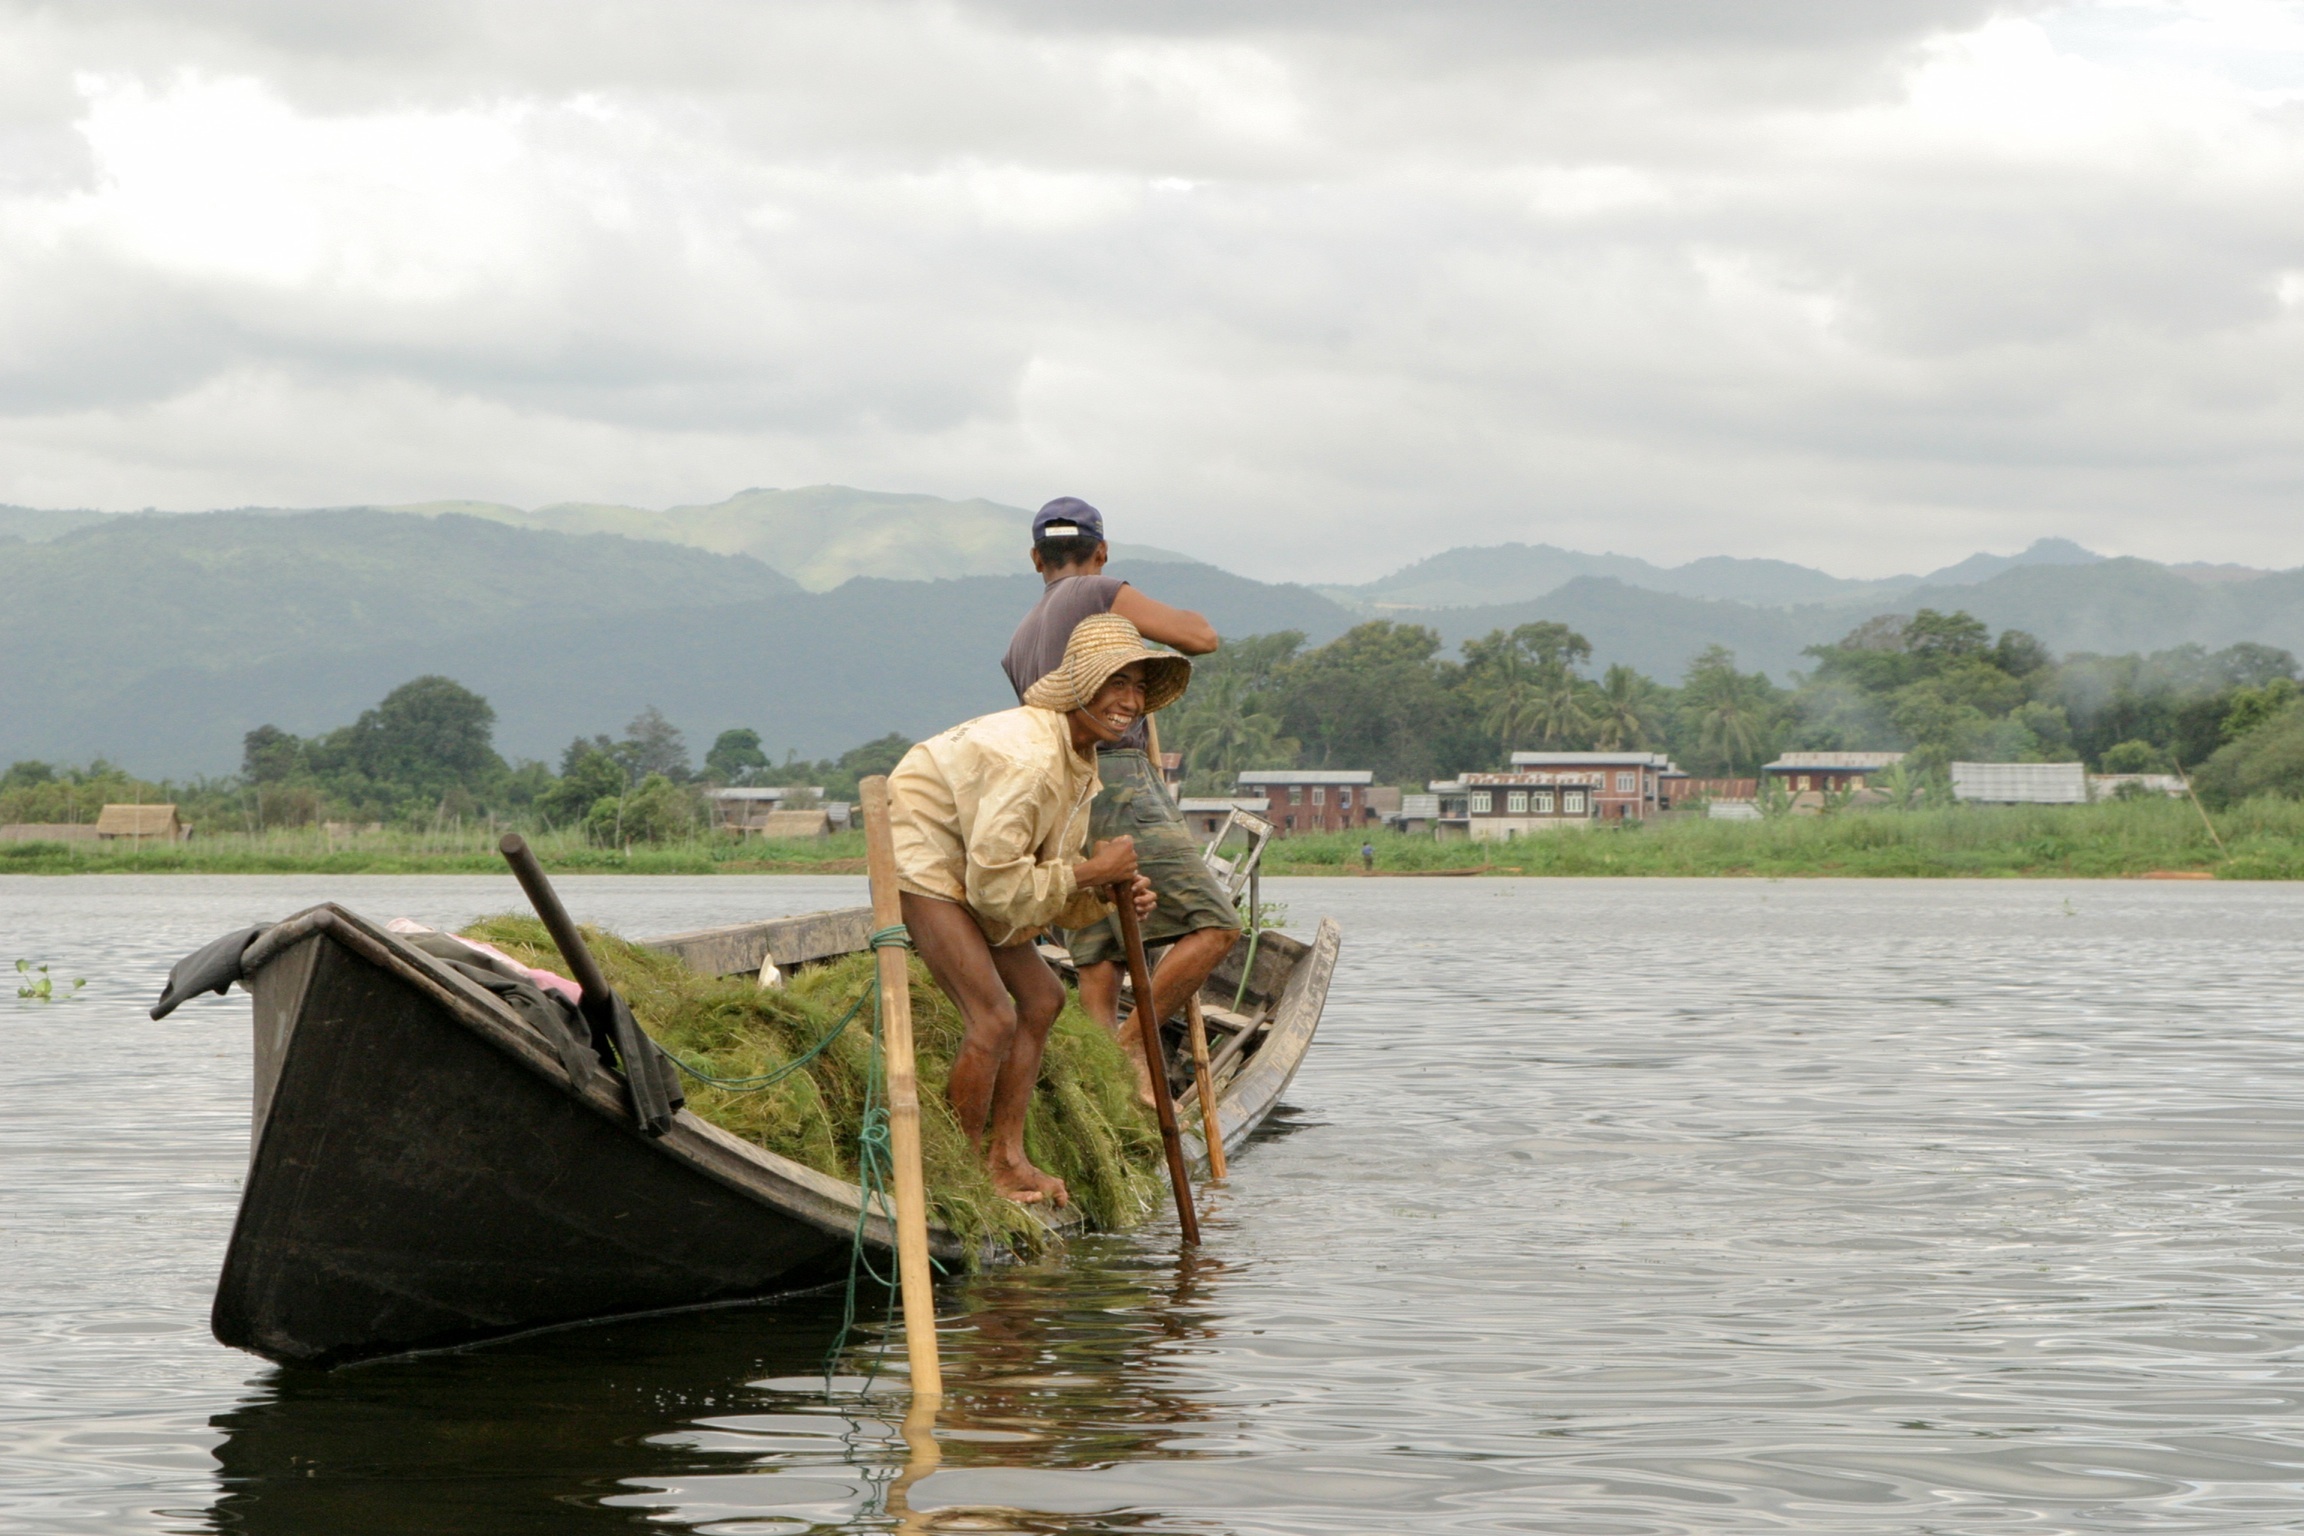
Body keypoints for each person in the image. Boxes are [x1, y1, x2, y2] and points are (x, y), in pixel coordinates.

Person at [889, 613, 1189, 1207]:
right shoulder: (1029, 761)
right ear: (1079, 684)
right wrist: (1090, 874)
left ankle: (1008, 1157)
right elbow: (997, 888)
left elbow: (1041, 873)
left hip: (978, 864)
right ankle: (967, 1176)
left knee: (1045, 999)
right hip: (924, 851)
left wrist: (1104, 892)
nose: (1129, 701)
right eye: (1115, 683)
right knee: (993, 1017)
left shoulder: (1077, 757)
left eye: (1136, 686)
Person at [1001, 497, 1240, 1102]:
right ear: (1101, 552)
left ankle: (1107, 1092)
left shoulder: (1020, 638)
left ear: (1036, 558)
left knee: (1098, 949)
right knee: (1216, 924)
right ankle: (1131, 1045)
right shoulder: (1094, 591)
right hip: (1118, 776)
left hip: (1063, 785)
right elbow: (1200, 637)